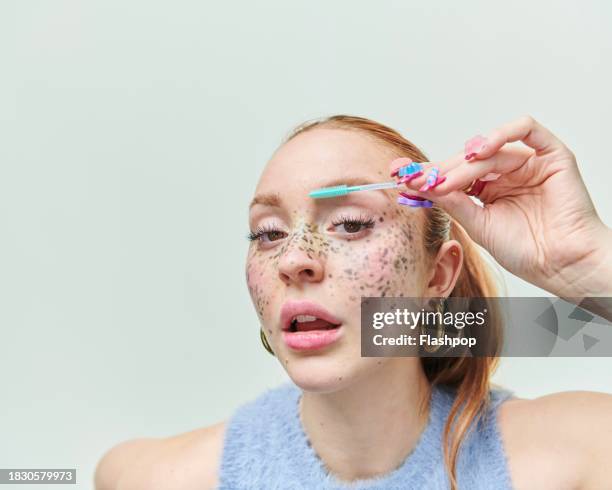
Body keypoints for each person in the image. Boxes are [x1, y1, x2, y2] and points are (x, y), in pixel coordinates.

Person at [94, 115, 612, 490]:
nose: (295, 259)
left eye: (351, 224)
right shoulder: (153, 479)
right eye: (268, 233)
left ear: (438, 274)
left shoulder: (575, 457)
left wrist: (583, 264)